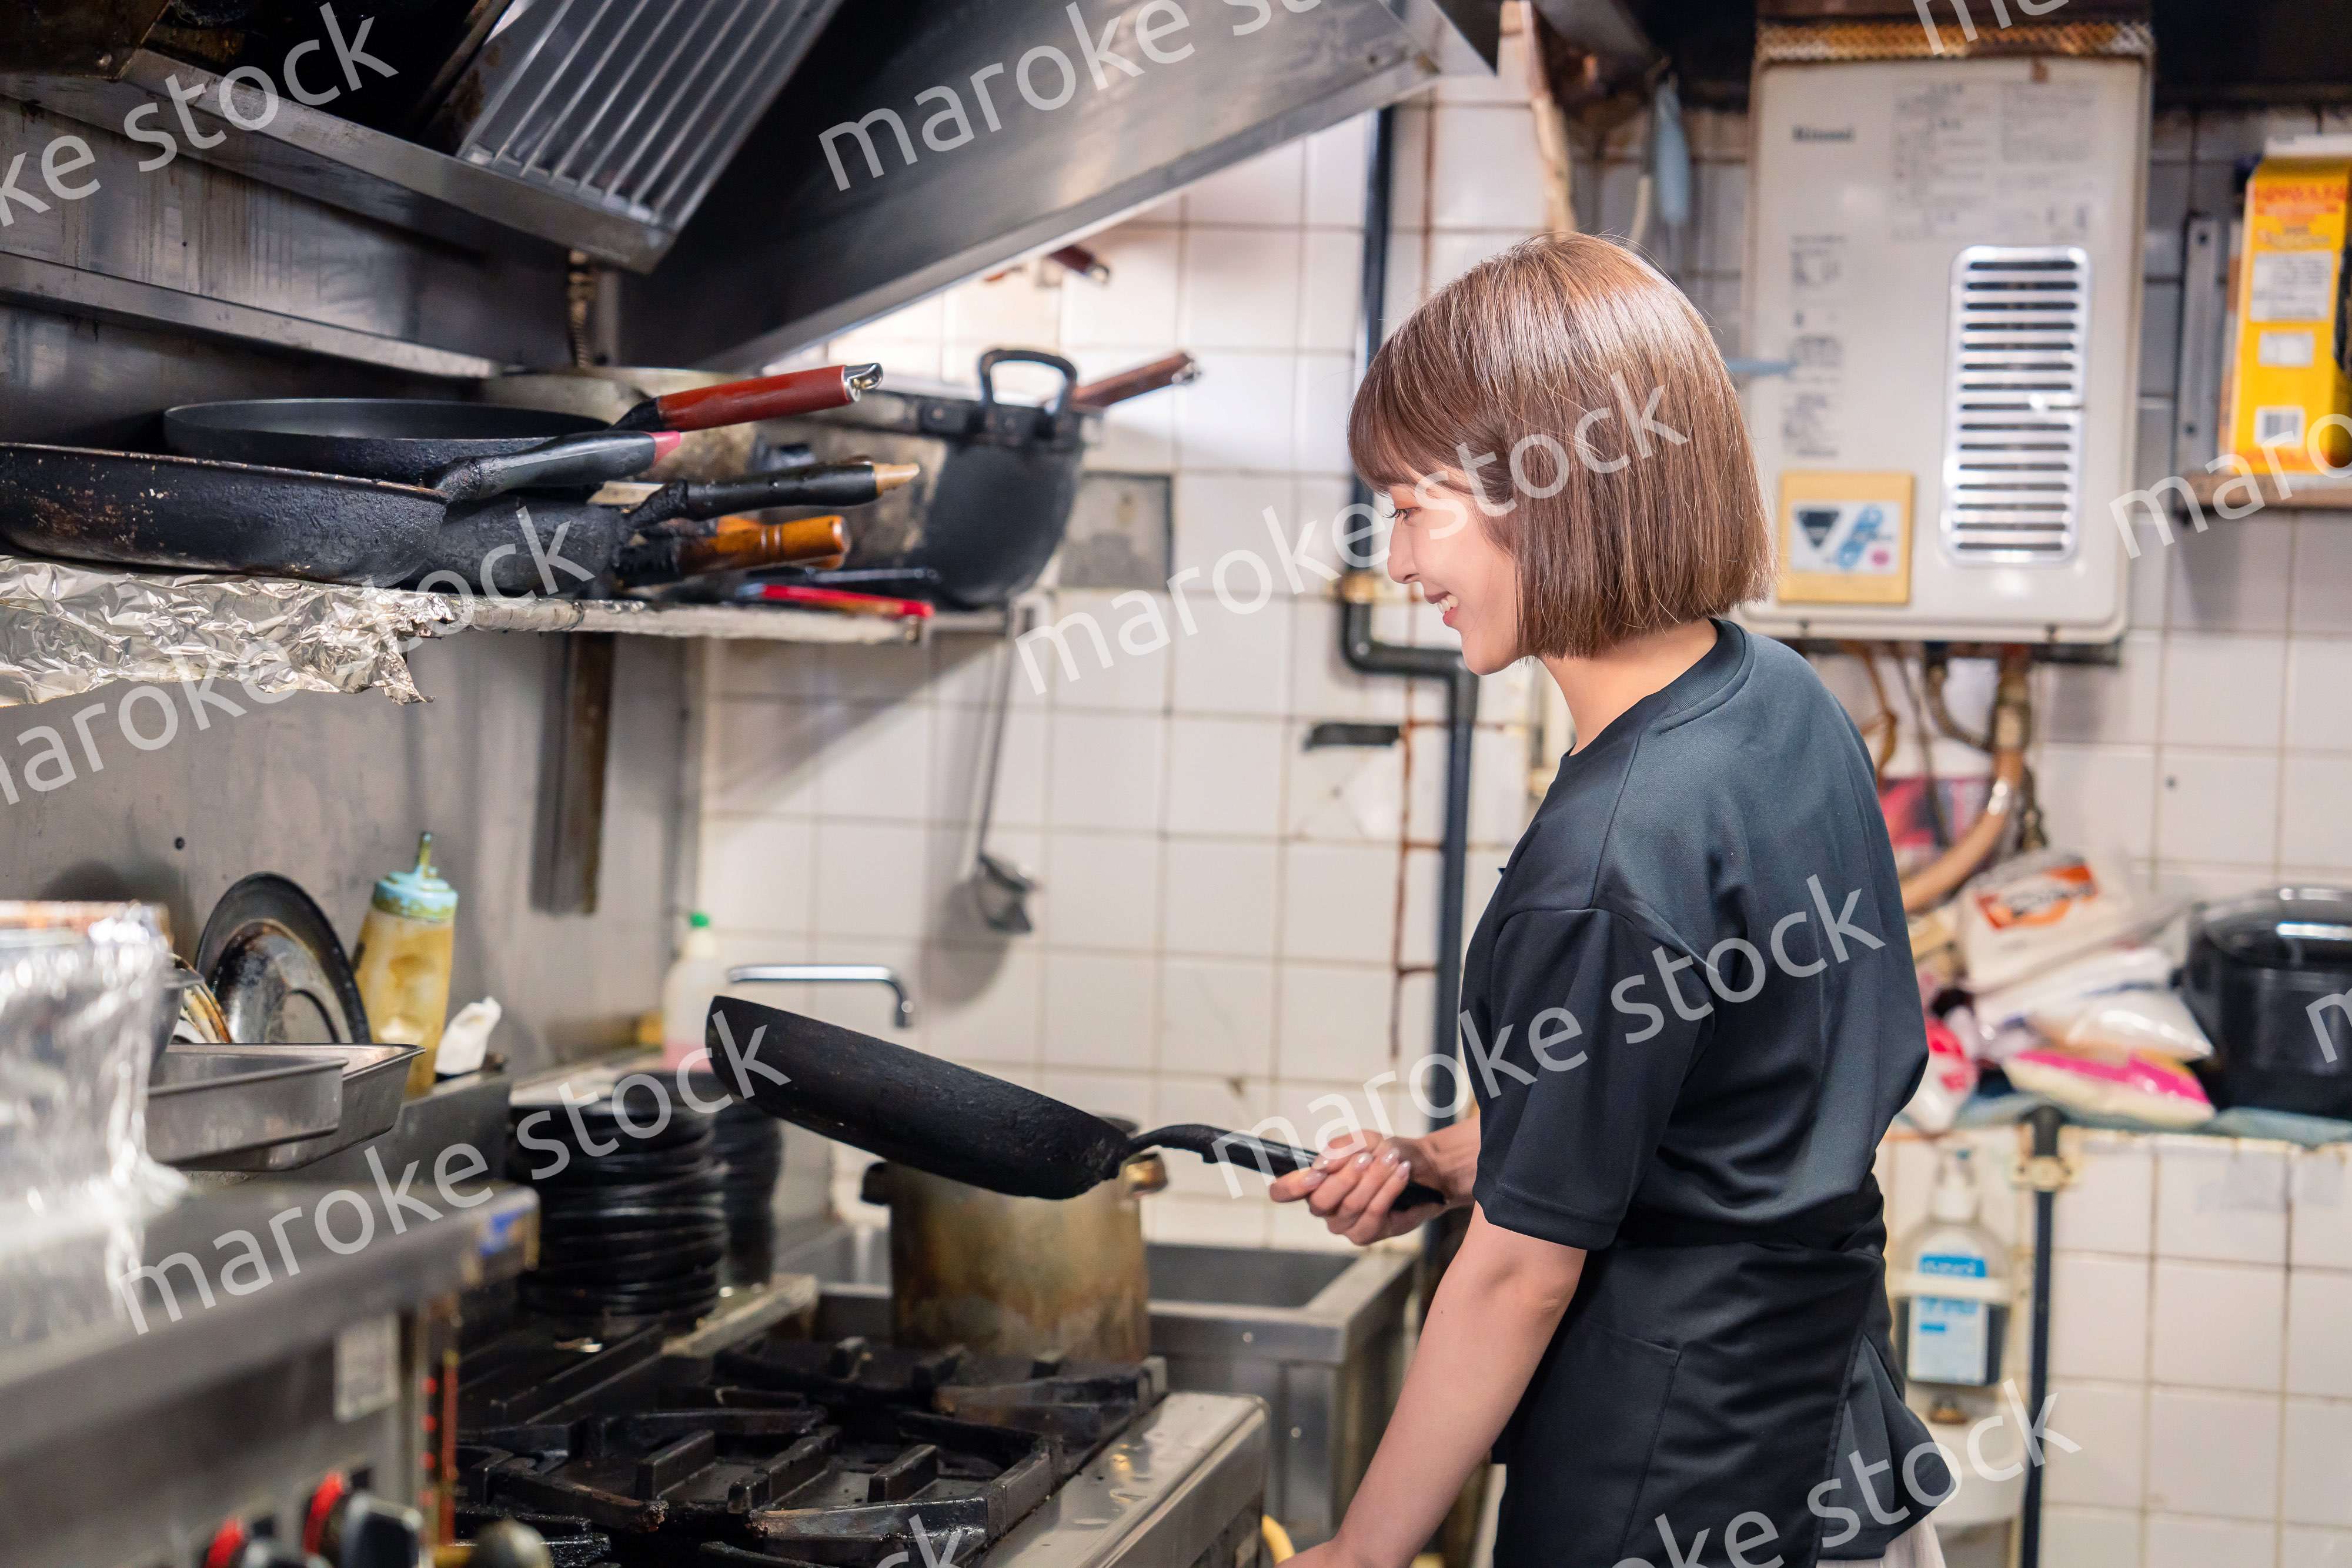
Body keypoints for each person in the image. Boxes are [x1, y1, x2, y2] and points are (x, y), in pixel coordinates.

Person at [1269, 233, 1947, 1568]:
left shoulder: (1606, 859)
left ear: (1551, 491)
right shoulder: (1774, 697)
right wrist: (1462, 1158)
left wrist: (1357, 1555)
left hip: (1668, 1477)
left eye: (1412, 507)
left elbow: (1520, 1276)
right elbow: (1715, 1091)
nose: (1397, 561)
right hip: (1819, 1439)